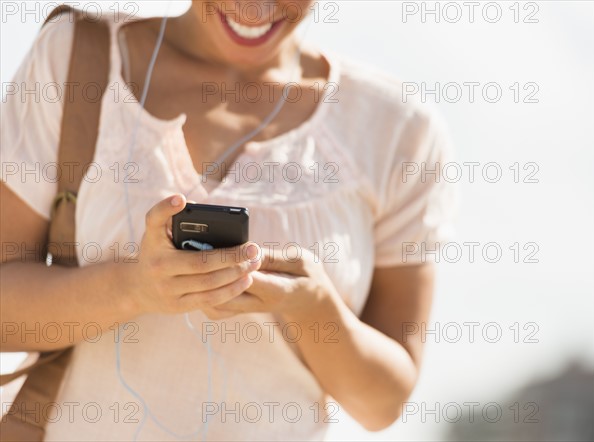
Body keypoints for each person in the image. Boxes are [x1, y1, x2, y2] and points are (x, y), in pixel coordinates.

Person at [0, 1, 455, 440]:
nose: (255, 10)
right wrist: (132, 287)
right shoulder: (78, 59)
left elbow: (382, 405)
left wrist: (314, 306)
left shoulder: (397, 129)